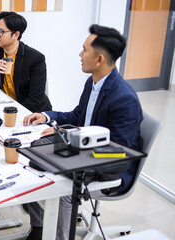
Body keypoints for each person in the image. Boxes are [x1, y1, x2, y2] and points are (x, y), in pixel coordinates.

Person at [23, 24, 143, 240]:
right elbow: (78, 115)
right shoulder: (94, 82)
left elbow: (119, 151)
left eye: (85, 50)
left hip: (111, 169)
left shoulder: (124, 98)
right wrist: (47, 116)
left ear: (99, 60)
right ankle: (40, 228)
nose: (80, 54)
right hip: (84, 154)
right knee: (31, 164)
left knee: (62, 193)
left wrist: (75, 137)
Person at [0, 11, 52, 113]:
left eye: (1, 31)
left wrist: (12, 113)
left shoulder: (35, 58)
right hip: (7, 107)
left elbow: (35, 98)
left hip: (33, 112)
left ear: (16, 35)